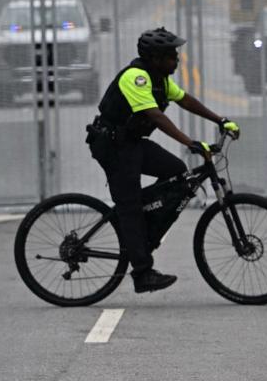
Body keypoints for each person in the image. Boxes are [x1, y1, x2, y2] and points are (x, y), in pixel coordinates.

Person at [86, 27, 240, 294]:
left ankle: (140, 221)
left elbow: (186, 101)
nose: (177, 59)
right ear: (155, 58)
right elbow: (155, 115)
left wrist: (221, 120)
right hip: (111, 145)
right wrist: (190, 142)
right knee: (130, 205)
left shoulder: (161, 80)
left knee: (177, 172)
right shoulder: (136, 78)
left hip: (131, 143)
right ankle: (143, 273)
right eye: (171, 55)